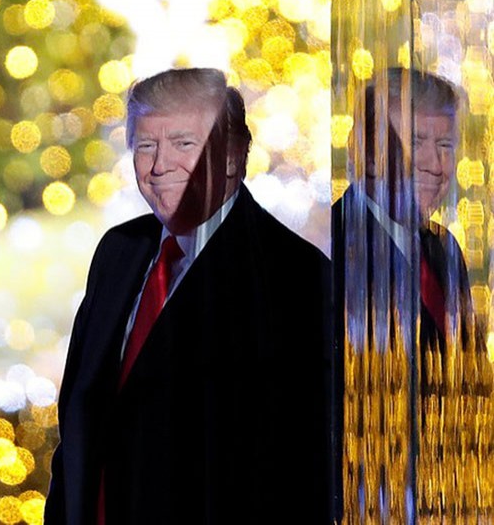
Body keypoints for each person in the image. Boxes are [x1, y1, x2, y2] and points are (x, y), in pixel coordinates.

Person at [45, 68, 332, 524]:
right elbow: (81, 427)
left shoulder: (292, 274)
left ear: (235, 156)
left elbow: (296, 474)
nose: (160, 165)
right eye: (146, 145)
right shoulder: (119, 253)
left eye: (184, 144)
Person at [331, 68, 482, 520]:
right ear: (365, 149)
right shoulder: (332, 249)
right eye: (415, 142)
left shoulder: (444, 249)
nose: (435, 165)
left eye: (445, 145)